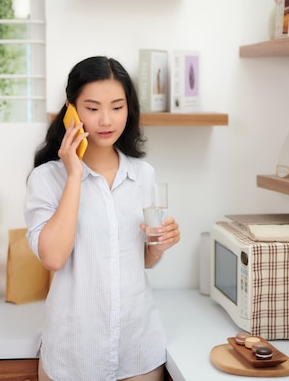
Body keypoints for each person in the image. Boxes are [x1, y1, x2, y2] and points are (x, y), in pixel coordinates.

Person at [24, 56, 181, 381]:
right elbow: (53, 257)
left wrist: (159, 244)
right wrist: (73, 175)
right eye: (92, 108)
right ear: (71, 110)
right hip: (73, 353)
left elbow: (141, 260)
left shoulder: (143, 175)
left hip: (137, 349)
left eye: (117, 106)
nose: (106, 119)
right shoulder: (46, 179)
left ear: (129, 109)